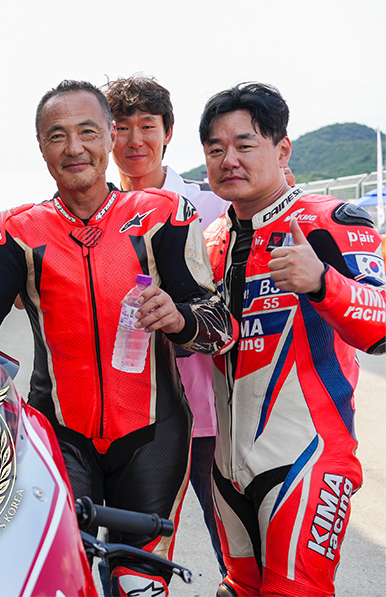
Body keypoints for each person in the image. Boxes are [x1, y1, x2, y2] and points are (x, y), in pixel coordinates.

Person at [0, 80, 235, 596]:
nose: (74, 147)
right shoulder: (15, 231)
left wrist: (178, 318)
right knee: (60, 582)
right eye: (57, 136)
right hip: (58, 436)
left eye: (88, 132)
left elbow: (218, 326)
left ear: (109, 138)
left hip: (154, 437)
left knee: (138, 585)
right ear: (41, 147)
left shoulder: (164, 214)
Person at [199, 82, 385, 597]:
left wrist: (322, 282)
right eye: (216, 149)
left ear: (282, 150)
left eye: (244, 144)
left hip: (308, 460)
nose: (229, 160)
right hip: (227, 469)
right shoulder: (210, 240)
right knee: (237, 590)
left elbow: (381, 328)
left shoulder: (329, 221)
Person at [105, 75, 228, 579]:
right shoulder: (93, 215)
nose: (134, 140)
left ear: (168, 132)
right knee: (132, 553)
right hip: (128, 414)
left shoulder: (214, 204)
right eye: (121, 127)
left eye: (147, 126)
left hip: (208, 412)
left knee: (233, 544)